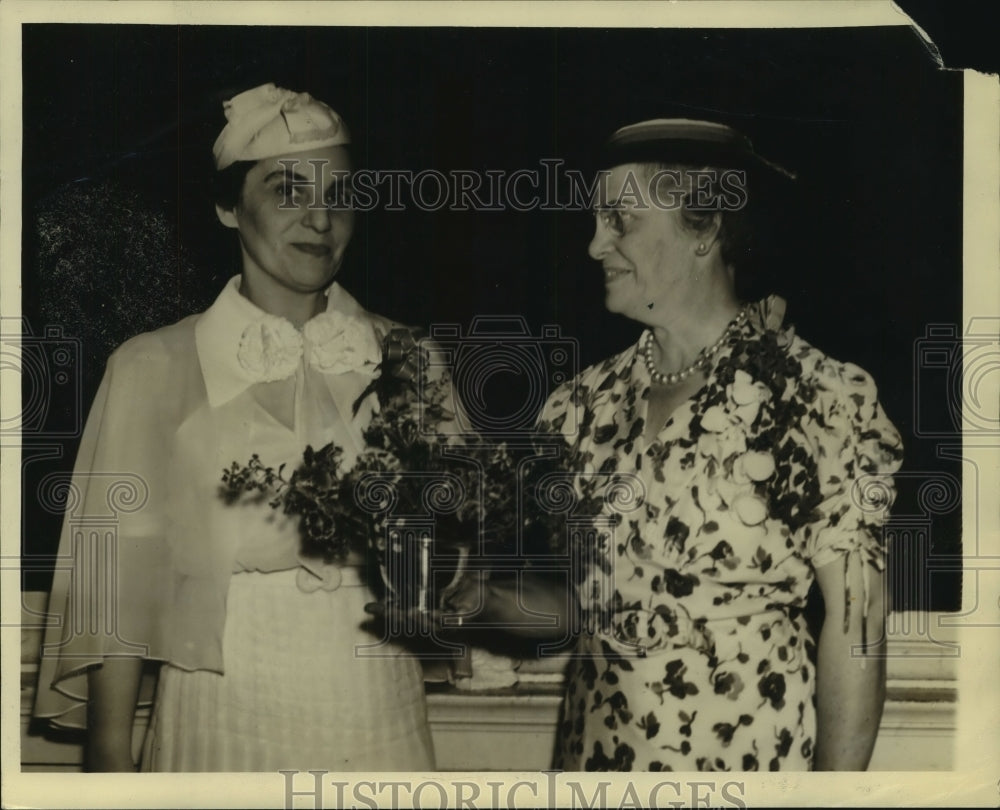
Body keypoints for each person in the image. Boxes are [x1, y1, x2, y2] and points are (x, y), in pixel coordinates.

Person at [463, 118, 904, 771]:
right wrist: (486, 601)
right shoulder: (582, 405)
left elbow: (856, 622)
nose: (594, 246)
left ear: (704, 229)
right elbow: (580, 613)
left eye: (620, 220)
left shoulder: (816, 398)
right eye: (595, 221)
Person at [33, 83, 436, 772]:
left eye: (339, 193)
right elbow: (111, 589)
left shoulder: (411, 359)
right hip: (222, 715)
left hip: (381, 712)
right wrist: (109, 758)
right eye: (288, 190)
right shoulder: (151, 366)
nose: (320, 219)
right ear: (227, 207)